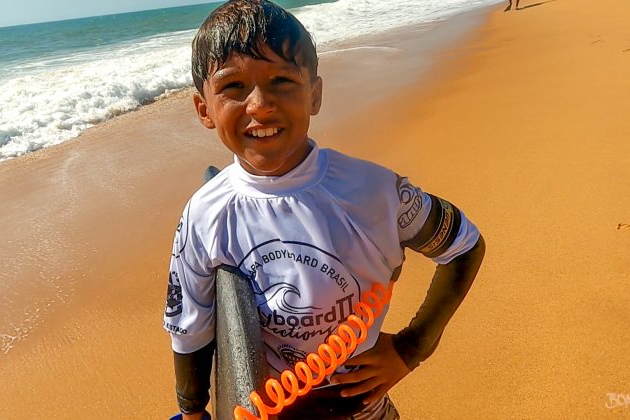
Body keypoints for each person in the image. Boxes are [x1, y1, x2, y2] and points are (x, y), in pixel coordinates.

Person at [163, 1, 486, 419]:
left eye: (282, 81)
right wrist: (193, 412)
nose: (260, 105)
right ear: (203, 108)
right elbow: (190, 327)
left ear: (314, 94)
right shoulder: (205, 214)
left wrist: (411, 347)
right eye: (234, 87)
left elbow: (463, 245)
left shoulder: (372, 190)